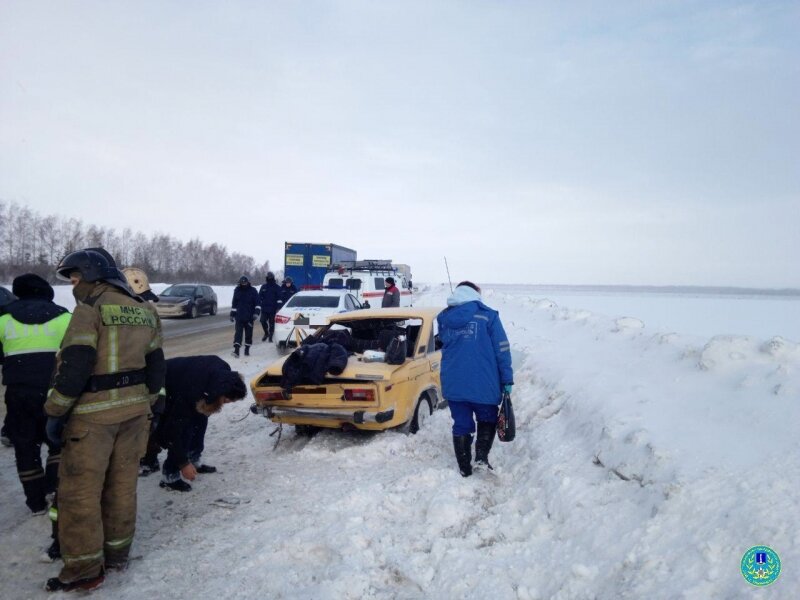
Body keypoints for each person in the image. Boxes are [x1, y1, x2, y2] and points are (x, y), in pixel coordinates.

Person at [43, 248, 166, 592]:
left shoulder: (88, 311)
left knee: (79, 495)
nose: (73, 284)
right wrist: (148, 404)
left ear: (92, 275)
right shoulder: (146, 310)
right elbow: (157, 366)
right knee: (122, 488)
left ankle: (84, 571)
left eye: (75, 277)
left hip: (91, 420)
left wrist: (54, 412)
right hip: (134, 415)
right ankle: (116, 556)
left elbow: (75, 367)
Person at [0, 274, 71, 514]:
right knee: (58, 442)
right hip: (56, 392)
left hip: (19, 393)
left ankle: (36, 502)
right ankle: (53, 486)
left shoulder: (4, 318)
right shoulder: (64, 316)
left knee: (25, 445)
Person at [436, 281, 513, 477]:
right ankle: (481, 458)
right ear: (475, 293)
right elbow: (502, 349)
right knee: (487, 418)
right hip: (484, 381)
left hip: (454, 381)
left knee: (461, 423)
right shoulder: (488, 316)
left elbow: (443, 341)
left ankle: (464, 468)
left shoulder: (444, 317)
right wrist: (507, 379)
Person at [140, 356, 246, 491]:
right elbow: (172, 433)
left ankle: (193, 457)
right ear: (217, 393)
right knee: (182, 428)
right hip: (164, 384)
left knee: (200, 420)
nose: (226, 404)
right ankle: (170, 476)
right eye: (225, 400)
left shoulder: (223, 374)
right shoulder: (191, 392)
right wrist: (183, 464)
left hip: (189, 379)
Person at [230, 275, 259, 357]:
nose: (243, 284)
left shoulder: (253, 291)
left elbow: (257, 303)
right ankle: (236, 351)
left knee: (248, 334)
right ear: (240, 283)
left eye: (245, 283)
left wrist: (256, 313)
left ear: (248, 282)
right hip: (239, 317)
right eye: (242, 283)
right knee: (238, 334)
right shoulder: (237, 290)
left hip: (249, 317)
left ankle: (247, 350)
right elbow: (234, 304)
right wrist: (232, 315)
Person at [257, 272, 281, 342]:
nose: (269, 278)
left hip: (273, 309)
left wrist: (278, 308)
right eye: (268, 277)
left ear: (273, 278)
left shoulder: (277, 287)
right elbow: (259, 297)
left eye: (270, 277)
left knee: (272, 323)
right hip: (264, 309)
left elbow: (280, 299)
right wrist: (260, 303)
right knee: (262, 321)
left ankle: (271, 336)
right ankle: (266, 333)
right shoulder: (263, 287)